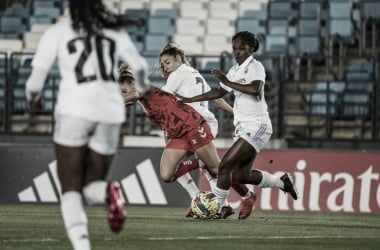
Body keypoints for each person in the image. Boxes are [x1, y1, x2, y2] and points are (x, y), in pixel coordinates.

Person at [25, 1, 149, 249]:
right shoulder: (112, 29)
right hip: (111, 111)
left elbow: (34, 85)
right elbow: (141, 66)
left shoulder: (58, 31)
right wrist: (144, 88)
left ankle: (83, 245)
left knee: (71, 188)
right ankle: (107, 192)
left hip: (74, 109)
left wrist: (34, 101)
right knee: (92, 185)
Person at [177, 31, 298, 218]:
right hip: (242, 127)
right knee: (239, 176)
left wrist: (226, 81)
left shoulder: (255, 67)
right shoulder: (234, 71)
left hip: (258, 125)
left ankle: (216, 207)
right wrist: (188, 99)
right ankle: (282, 182)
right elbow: (217, 93)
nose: (237, 51)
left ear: (251, 48)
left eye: (241, 48)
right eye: (234, 48)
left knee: (224, 165)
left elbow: (255, 90)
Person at [158, 42, 257, 219]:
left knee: (213, 167)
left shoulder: (178, 74)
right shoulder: (194, 75)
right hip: (194, 124)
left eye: (168, 62)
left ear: (179, 59)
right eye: (163, 64)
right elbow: (216, 100)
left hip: (197, 124)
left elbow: (160, 99)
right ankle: (215, 203)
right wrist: (237, 113)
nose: (165, 67)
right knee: (202, 167)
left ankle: (246, 196)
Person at [118, 64, 220, 203]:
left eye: (124, 91)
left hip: (191, 124)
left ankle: (243, 194)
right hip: (176, 133)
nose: (125, 94)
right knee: (167, 175)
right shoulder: (141, 98)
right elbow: (131, 99)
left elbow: (133, 94)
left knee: (216, 169)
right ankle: (200, 163)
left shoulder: (142, 87)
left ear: (133, 83)